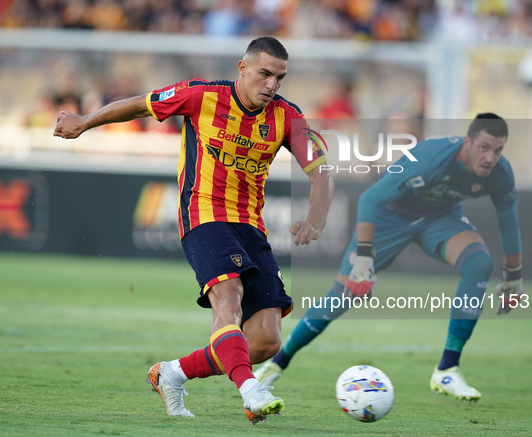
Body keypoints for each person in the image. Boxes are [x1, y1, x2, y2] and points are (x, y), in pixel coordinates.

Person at [53, 36, 334, 423]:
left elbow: (321, 174)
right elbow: (138, 105)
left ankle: (173, 373)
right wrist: (83, 122)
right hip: (203, 214)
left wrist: (316, 219)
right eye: (264, 74)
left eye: (280, 78)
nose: (271, 85)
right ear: (243, 68)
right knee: (229, 297)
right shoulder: (200, 95)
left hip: (251, 226)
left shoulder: (288, 116)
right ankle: (250, 390)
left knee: (267, 340)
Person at [255, 113, 523, 402]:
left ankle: (447, 370)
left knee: (479, 263)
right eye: (484, 147)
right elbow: (371, 198)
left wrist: (513, 276)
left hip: (440, 217)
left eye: (497, 150)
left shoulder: (501, 173)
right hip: (389, 214)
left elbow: (508, 222)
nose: (490, 157)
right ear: (468, 142)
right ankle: (277, 363)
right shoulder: (432, 158)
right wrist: (364, 260)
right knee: (344, 295)